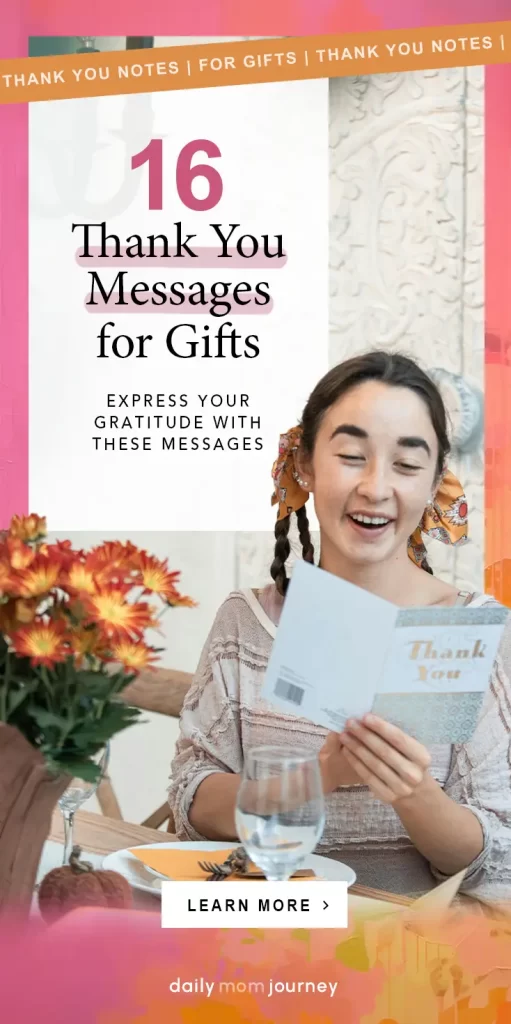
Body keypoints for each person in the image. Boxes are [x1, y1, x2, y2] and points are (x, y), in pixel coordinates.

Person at [168, 350, 511, 901]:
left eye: (406, 465)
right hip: (260, 935)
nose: (376, 487)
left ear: (434, 485)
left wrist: (411, 791)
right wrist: (319, 775)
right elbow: (194, 803)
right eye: (352, 455)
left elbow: (495, 862)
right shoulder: (247, 622)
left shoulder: (471, 633)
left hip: (405, 954)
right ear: (303, 464)